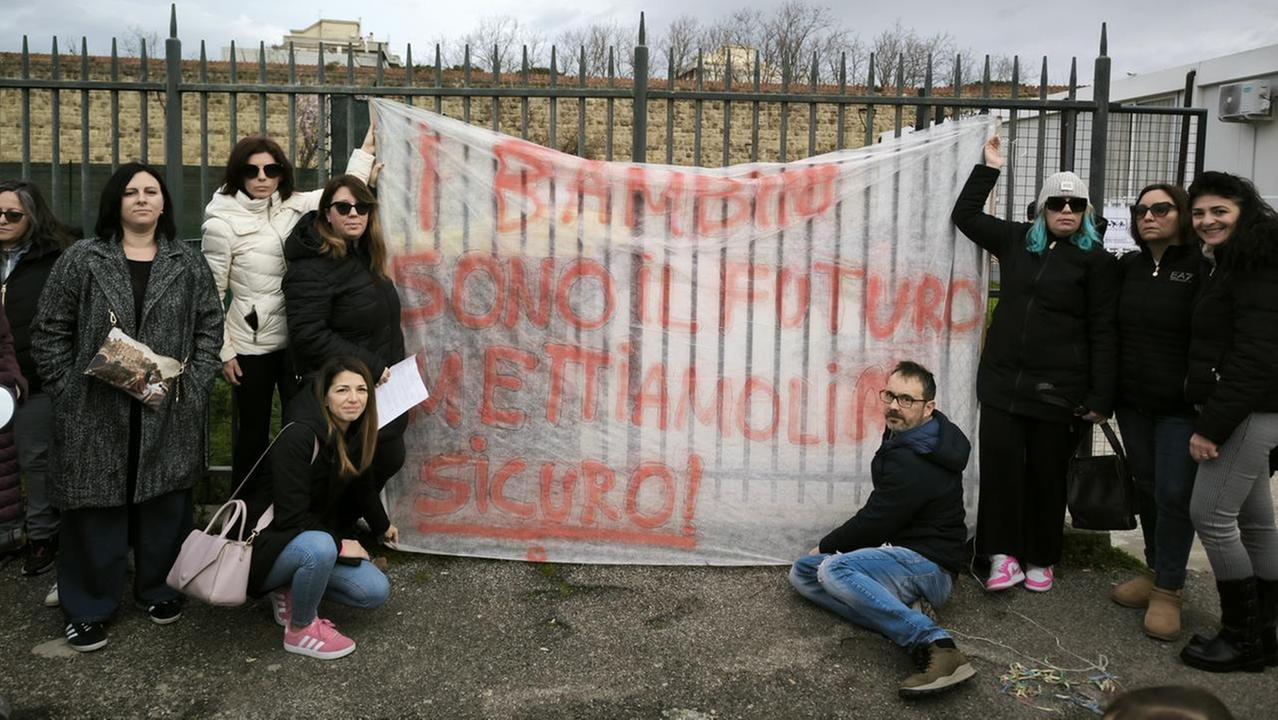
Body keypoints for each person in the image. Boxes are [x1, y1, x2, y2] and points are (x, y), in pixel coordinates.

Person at [31, 163, 223, 652]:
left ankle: (159, 589)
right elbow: (49, 329)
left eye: (151, 191)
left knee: (165, 503)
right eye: (131, 191)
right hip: (94, 406)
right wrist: (67, 390)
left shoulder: (187, 261)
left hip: (166, 405)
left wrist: (195, 385)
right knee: (94, 508)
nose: (142, 199)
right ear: (115, 202)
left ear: (164, 203)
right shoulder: (83, 258)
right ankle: (88, 606)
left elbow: (209, 328)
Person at [951, 135, 1119, 594]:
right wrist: (990, 168)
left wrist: (1101, 395)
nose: (1066, 210)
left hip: (1059, 390)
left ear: (1086, 211)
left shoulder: (1096, 261)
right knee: (1001, 471)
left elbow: (1105, 331)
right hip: (1003, 382)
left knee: (1046, 474)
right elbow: (965, 215)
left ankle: (1042, 556)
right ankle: (1002, 556)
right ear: (1042, 207)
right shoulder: (1016, 241)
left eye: (1076, 204)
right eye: (1057, 203)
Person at [202, 125, 376, 485]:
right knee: (253, 432)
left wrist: (366, 150)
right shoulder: (221, 223)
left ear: (281, 173)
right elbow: (211, 294)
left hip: (297, 340)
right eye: (251, 170)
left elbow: (340, 196)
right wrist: (225, 351)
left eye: (271, 169)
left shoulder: (293, 204)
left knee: (300, 427)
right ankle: (244, 507)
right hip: (251, 346)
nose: (262, 177)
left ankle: (292, 502)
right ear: (237, 174)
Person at [789, 361, 974, 698]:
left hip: (931, 566)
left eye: (906, 400)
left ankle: (935, 643)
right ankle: (902, 615)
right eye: (890, 395)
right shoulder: (920, 435)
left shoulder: (917, 458)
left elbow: (876, 521)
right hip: (904, 558)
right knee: (802, 573)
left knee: (832, 569)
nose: (894, 406)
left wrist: (825, 546)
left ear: (928, 407)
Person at [1178, 171, 1278, 673]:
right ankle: (1267, 634)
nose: (1207, 221)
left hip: (1246, 412)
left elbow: (1256, 358)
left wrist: (1210, 428)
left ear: (1244, 210)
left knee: (1212, 517)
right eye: (1199, 213)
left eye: (1219, 211)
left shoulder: (1256, 263)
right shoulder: (1236, 258)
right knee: (1257, 522)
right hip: (1252, 409)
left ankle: (1241, 638)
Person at [282, 175, 405, 543]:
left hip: (376, 386)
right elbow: (308, 336)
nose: (354, 213)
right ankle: (324, 537)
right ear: (327, 214)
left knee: (384, 455)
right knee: (352, 463)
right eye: (343, 207)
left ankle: (342, 530)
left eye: (362, 206)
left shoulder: (364, 256)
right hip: (340, 387)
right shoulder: (311, 267)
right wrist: (371, 365)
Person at [243, 357, 392, 659]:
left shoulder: (354, 433)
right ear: (324, 397)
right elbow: (290, 518)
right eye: (342, 390)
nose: (353, 398)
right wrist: (341, 545)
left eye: (361, 389)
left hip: (304, 542)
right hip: (263, 549)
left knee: (374, 590)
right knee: (322, 547)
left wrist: (383, 526)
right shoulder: (299, 435)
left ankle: (288, 587)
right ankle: (301, 629)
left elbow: (363, 485)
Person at [1108, 184, 1202, 641]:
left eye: (1161, 209)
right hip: (1133, 403)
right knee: (1145, 486)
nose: (1149, 217)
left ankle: (1169, 589)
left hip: (1180, 408)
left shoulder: (1203, 267)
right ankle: (1153, 570)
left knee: (1173, 493)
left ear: (1181, 214)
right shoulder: (1130, 266)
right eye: (1141, 210)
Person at [0, 180, 75, 575]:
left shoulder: (54, 259)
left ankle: (43, 536)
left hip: (34, 377)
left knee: (35, 459)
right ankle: (8, 534)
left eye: (13, 215)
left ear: (32, 218)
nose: (2, 220)